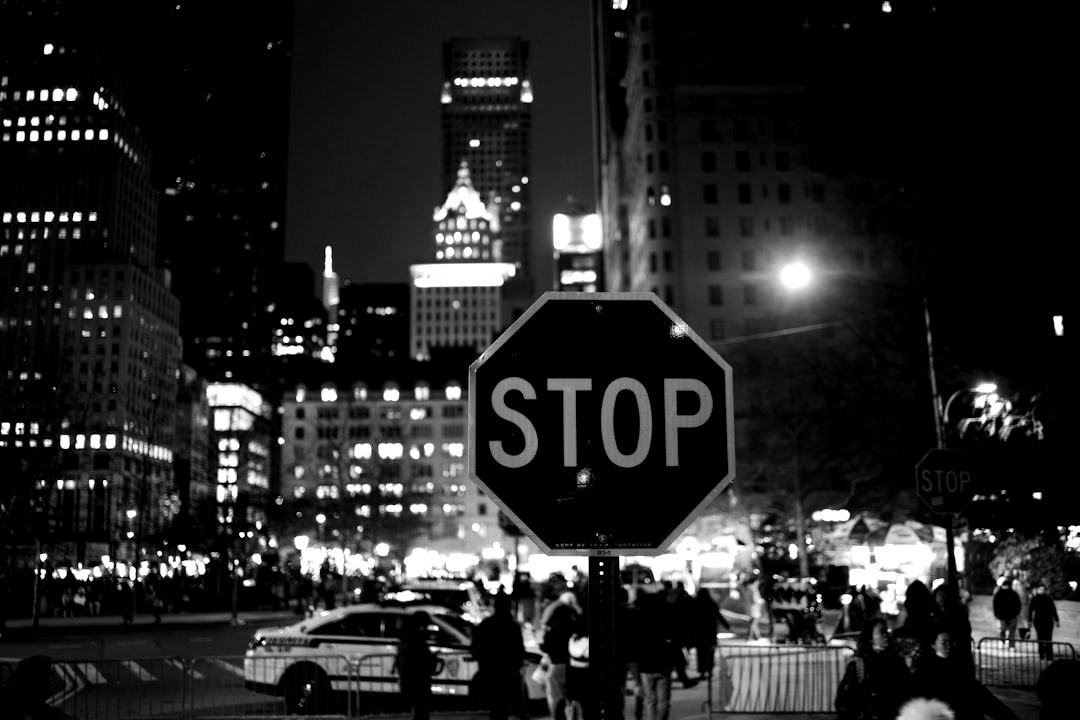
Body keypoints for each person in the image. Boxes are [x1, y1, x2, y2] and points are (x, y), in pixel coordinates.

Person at [835, 617, 912, 720]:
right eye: (882, 632)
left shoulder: (898, 662)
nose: (886, 635)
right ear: (870, 637)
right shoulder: (859, 665)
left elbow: (907, 692)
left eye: (887, 631)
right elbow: (844, 701)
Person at [471, 590, 525, 720]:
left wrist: (484, 662)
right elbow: (519, 651)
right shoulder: (513, 627)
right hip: (508, 674)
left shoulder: (486, 625)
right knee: (503, 708)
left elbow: (475, 648)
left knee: (496, 708)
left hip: (490, 673)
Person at [539, 591, 580, 720]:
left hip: (556, 662)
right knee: (571, 696)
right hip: (574, 663)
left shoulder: (556, 614)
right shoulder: (575, 616)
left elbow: (546, 643)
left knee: (555, 696)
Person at [638, 591, 674, 720]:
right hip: (663, 665)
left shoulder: (641, 621)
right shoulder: (665, 621)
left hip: (646, 666)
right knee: (663, 700)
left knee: (649, 700)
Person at [397, 611, 440, 720]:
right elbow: (419, 658)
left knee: (419, 709)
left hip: (412, 678)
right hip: (418, 679)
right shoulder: (415, 637)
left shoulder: (408, 636)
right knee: (421, 710)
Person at [688, 588, 727, 678]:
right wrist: (727, 626)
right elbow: (719, 616)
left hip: (699, 634)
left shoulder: (695, 603)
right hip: (710, 633)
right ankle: (709, 671)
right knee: (710, 653)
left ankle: (702, 672)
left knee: (701, 654)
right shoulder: (711, 604)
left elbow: (690, 618)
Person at [666, 581, 697, 688]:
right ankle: (683, 679)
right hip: (679, 632)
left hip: (673, 632)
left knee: (674, 657)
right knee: (678, 657)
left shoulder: (670, 598)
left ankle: (681, 679)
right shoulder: (684, 598)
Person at [1028, 584, 1060, 660]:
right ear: (1038, 590)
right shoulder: (1035, 599)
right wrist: (1030, 620)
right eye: (1040, 589)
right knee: (1040, 638)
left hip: (1048, 621)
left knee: (1048, 638)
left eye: (1043, 589)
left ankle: (1049, 655)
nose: (1042, 591)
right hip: (1039, 621)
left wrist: (1056, 620)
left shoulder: (1048, 599)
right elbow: (1030, 610)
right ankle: (1042, 654)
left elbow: (1053, 610)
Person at [992, 577, 1021, 650]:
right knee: (1005, 630)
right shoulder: (1000, 594)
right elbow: (995, 605)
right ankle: (1006, 643)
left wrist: (1017, 612)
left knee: (1008, 631)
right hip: (1005, 616)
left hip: (1009, 616)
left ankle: (1009, 644)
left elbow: (1018, 604)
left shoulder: (1002, 594)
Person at [1013, 576, 1031, 640]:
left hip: (1022, 608)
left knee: (1022, 622)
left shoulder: (1021, 590)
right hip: (1022, 608)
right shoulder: (1023, 589)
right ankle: (1024, 634)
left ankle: (1024, 634)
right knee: (1022, 622)